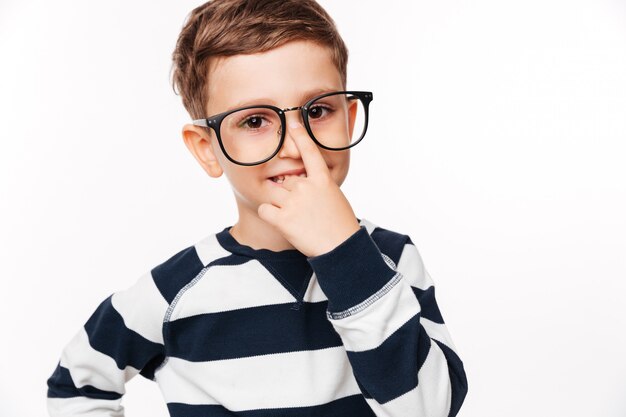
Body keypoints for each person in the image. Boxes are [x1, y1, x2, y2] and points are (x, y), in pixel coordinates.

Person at [45, 0, 468, 416]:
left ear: (350, 116)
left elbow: (428, 409)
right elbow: (77, 383)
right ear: (207, 149)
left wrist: (345, 254)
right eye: (254, 121)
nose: (296, 146)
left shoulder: (391, 260)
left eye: (318, 111)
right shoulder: (175, 292)